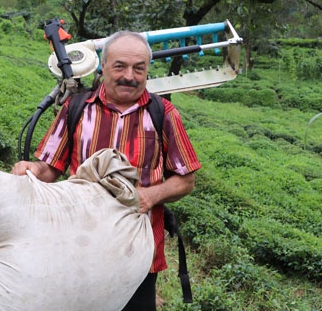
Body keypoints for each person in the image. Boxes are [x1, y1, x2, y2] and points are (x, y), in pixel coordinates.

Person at [12, 30, 201, 310]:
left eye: (139, 68)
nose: (130, 76)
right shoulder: (76, 108)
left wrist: (150, 196)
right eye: (120, 66)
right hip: (77, 245)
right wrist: (32, 170)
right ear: (103, 66)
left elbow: (186, 180)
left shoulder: (164, 113)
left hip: (137, 252)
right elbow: (51, 168)